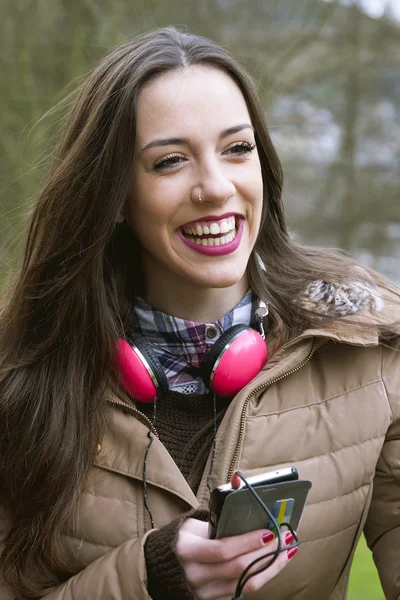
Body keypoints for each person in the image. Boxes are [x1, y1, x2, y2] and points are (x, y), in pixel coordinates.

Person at [0, 26, 399, 600]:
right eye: (169, 162)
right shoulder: (24, 383)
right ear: (113, 197)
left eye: (238, 149)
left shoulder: (371, 351)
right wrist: (152, 578)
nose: (215, 187)